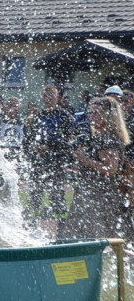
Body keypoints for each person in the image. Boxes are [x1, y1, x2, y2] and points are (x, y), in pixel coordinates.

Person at [60, 96, 130, 239]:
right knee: (90, 238)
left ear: (108, 115)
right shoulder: (102, 135)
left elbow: (110, 169)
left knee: (95, 239)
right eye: (90, 112)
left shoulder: (108, 138)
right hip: (93, 195)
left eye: (96, 113)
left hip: (100, 198)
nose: (92, 116)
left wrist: (84, 159)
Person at [22, 84, 74, 225]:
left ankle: (62, 226)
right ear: (42, 98)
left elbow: (70, 141)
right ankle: (31, 223)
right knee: (35, 194)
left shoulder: (64, 115)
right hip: (38, 161)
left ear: (57, 97)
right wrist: (33, 146)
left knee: (57, 195)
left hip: (56, 161)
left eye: (51, 95)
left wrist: (49, 146)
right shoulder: (38, 115)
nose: (48, 98)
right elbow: (28, 138)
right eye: (45, 95)